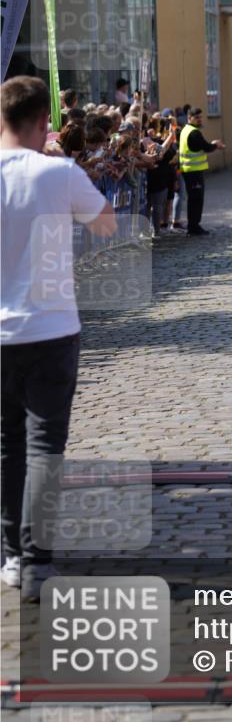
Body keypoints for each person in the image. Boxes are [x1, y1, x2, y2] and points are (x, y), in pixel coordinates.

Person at [1, 77, 116, 599]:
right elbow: (107, 224)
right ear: (45, 121)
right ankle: (37, 563)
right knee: (45, 446)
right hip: (51, 326)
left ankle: (8, 554)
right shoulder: (59, 171)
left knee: (6, 446)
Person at [178, 107, 225, 236]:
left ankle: (192, 225)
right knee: (196, 200)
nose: (199, 120)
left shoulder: (185, 130)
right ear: (189, 118)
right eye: (197, 117)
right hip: (193, 171)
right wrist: (216, 145)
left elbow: (200, 146)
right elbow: (206, 147)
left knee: (193, 199)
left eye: (200, 117)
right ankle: (194, 226)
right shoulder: (194, 133)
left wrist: (212, 144)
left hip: (188, 171)